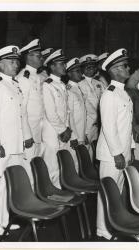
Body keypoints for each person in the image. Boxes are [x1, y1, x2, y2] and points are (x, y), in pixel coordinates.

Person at [0, 45, 32, 236]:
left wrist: (26, 137)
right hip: (3, 144)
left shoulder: (14, 84)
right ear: (1, 64)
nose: (17, 65)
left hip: (15, 144)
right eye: (12, 62)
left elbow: (22, 115)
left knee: (9, 183)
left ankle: (5, 219)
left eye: (17, 62)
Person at [96, 48, 135, 240]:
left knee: (117, 191)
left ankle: (113, 224)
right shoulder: (109, 94)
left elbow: (126, 126)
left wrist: (131, 149)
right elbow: (109, 128)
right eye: (124, 66)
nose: (128, 69)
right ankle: (102, 229)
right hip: (112, 155)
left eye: (126, 65)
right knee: (107, 191)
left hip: (122, 151)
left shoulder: (122, 93)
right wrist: (117, 153)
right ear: (114, 70)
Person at [42, 49, 72, 188]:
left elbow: (66, 111)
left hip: (63, 132)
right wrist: (62, 130)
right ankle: (52, 198)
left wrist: (67, 129)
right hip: (53, 133)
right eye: (61, 64)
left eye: (64, 64)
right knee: (52, 168)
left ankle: (59, 197)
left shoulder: (61, 85)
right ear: (52, 66)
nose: (64, 67)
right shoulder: (47, 85)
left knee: (61, 167)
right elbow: (51, 113)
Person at [17, 38, 44, 185]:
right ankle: (28, 201)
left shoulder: (36, 77)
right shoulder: (23, 77)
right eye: (37, 55)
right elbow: (22, 109)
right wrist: (26, 135)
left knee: (35, 167)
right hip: (29, 131)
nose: (41, 58)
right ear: (28, 57)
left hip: (38, 130)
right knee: (27, 168)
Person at [78, 54, 105, 144]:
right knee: (84, 154)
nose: (90, 68)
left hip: (98, 125)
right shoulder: (78, 84)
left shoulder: (99, 83)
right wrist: (83, 132)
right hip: (86, 127)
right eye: (87, 66)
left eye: (92, 66)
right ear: (82, 69)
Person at [65, 57, 87, 151]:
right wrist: (73, 137)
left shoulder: (78, 88)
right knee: (74, 163)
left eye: (80, 71)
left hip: (80, 134)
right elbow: (69, 117)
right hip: (74, 137)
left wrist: (84, 134)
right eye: (77, 71)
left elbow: (82, 115)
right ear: (69, 74)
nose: (81, 73)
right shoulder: (69, 90)